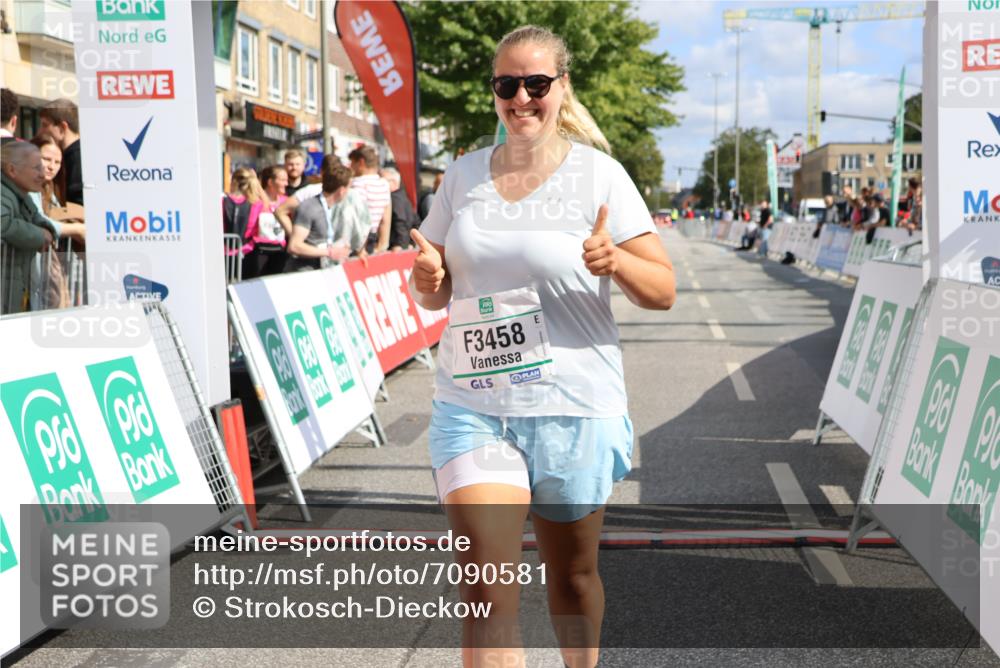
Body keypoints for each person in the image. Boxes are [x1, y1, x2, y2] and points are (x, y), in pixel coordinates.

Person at [409, 25, 675, 668]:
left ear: (562, 86)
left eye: (535, 83)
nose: (521, 98)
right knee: (485, 589)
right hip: (474, 407)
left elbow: (663, 290)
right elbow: (434, 291)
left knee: (573, 579)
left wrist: (616, 261)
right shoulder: (462, 176)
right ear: (494, 91)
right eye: (507, 85)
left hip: (573, 408)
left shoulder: (600, 176)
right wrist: (429, 280)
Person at [1, 142, 58, 314]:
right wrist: (40, 235)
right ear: (12, 170)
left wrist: (47, 231)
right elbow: (3, 223)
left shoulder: (20, 194)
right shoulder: (3, 193)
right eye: (36, 168)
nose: (42, 174)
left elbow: (36, 217)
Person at [285, 164, 368, 271]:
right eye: (349, 188)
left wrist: (359, 252)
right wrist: (329, 252)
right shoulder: (309, 208)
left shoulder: (338, 209)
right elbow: (294, 246)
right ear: (342, 190)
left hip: (325, 271)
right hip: (305, 273)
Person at [39, 99, 83, 206]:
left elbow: (77, 203)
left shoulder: (76, 157)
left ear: (63, 127)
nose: (41, 131)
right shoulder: (77, 153)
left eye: (45, 125)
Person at [348, 145, 392, 253]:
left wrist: (360, 249)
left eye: (352, 163)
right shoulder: (384, 184)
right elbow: (385, 219)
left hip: (356, 242)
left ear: (361, 162)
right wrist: (382, 245)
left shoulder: (357, 185)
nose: (351, 167)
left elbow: (357, 219)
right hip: (372, 239)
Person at [381, 167, 420, 250]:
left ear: (394, 182)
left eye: (382, 181)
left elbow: (400, 222)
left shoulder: (393, 199)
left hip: (395, 248)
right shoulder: (404, 197)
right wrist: (411, 243)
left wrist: (400, 244)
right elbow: (416, 222)